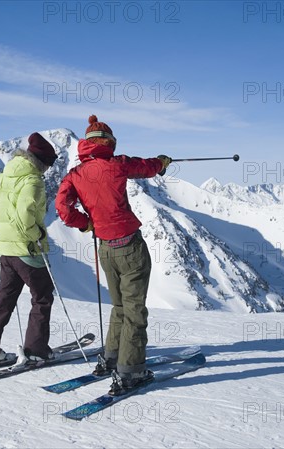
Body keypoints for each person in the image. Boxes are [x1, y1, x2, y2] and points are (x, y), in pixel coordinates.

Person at [55, 115, 171, 395]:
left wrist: (85, 223)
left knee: (119, 307)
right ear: (107, 143)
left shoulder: (75, 175)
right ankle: (131, 371)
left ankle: (110, 358)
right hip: (130, 246)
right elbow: (144, 167)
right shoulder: (116, 165)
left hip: (105, 249)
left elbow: (62, 206)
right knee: (134, 311)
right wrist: (162, 163)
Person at [0, 132, 58, 365]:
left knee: (4, 298)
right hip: (27, 250)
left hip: (7, 251)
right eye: (48, 165)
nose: (47, 171)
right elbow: (25, 214)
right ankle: (36, 350)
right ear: (41, 161)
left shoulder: (0, 178)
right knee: (42, 297)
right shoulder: (33, 181)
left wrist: (0, 233)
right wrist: (35, 235)